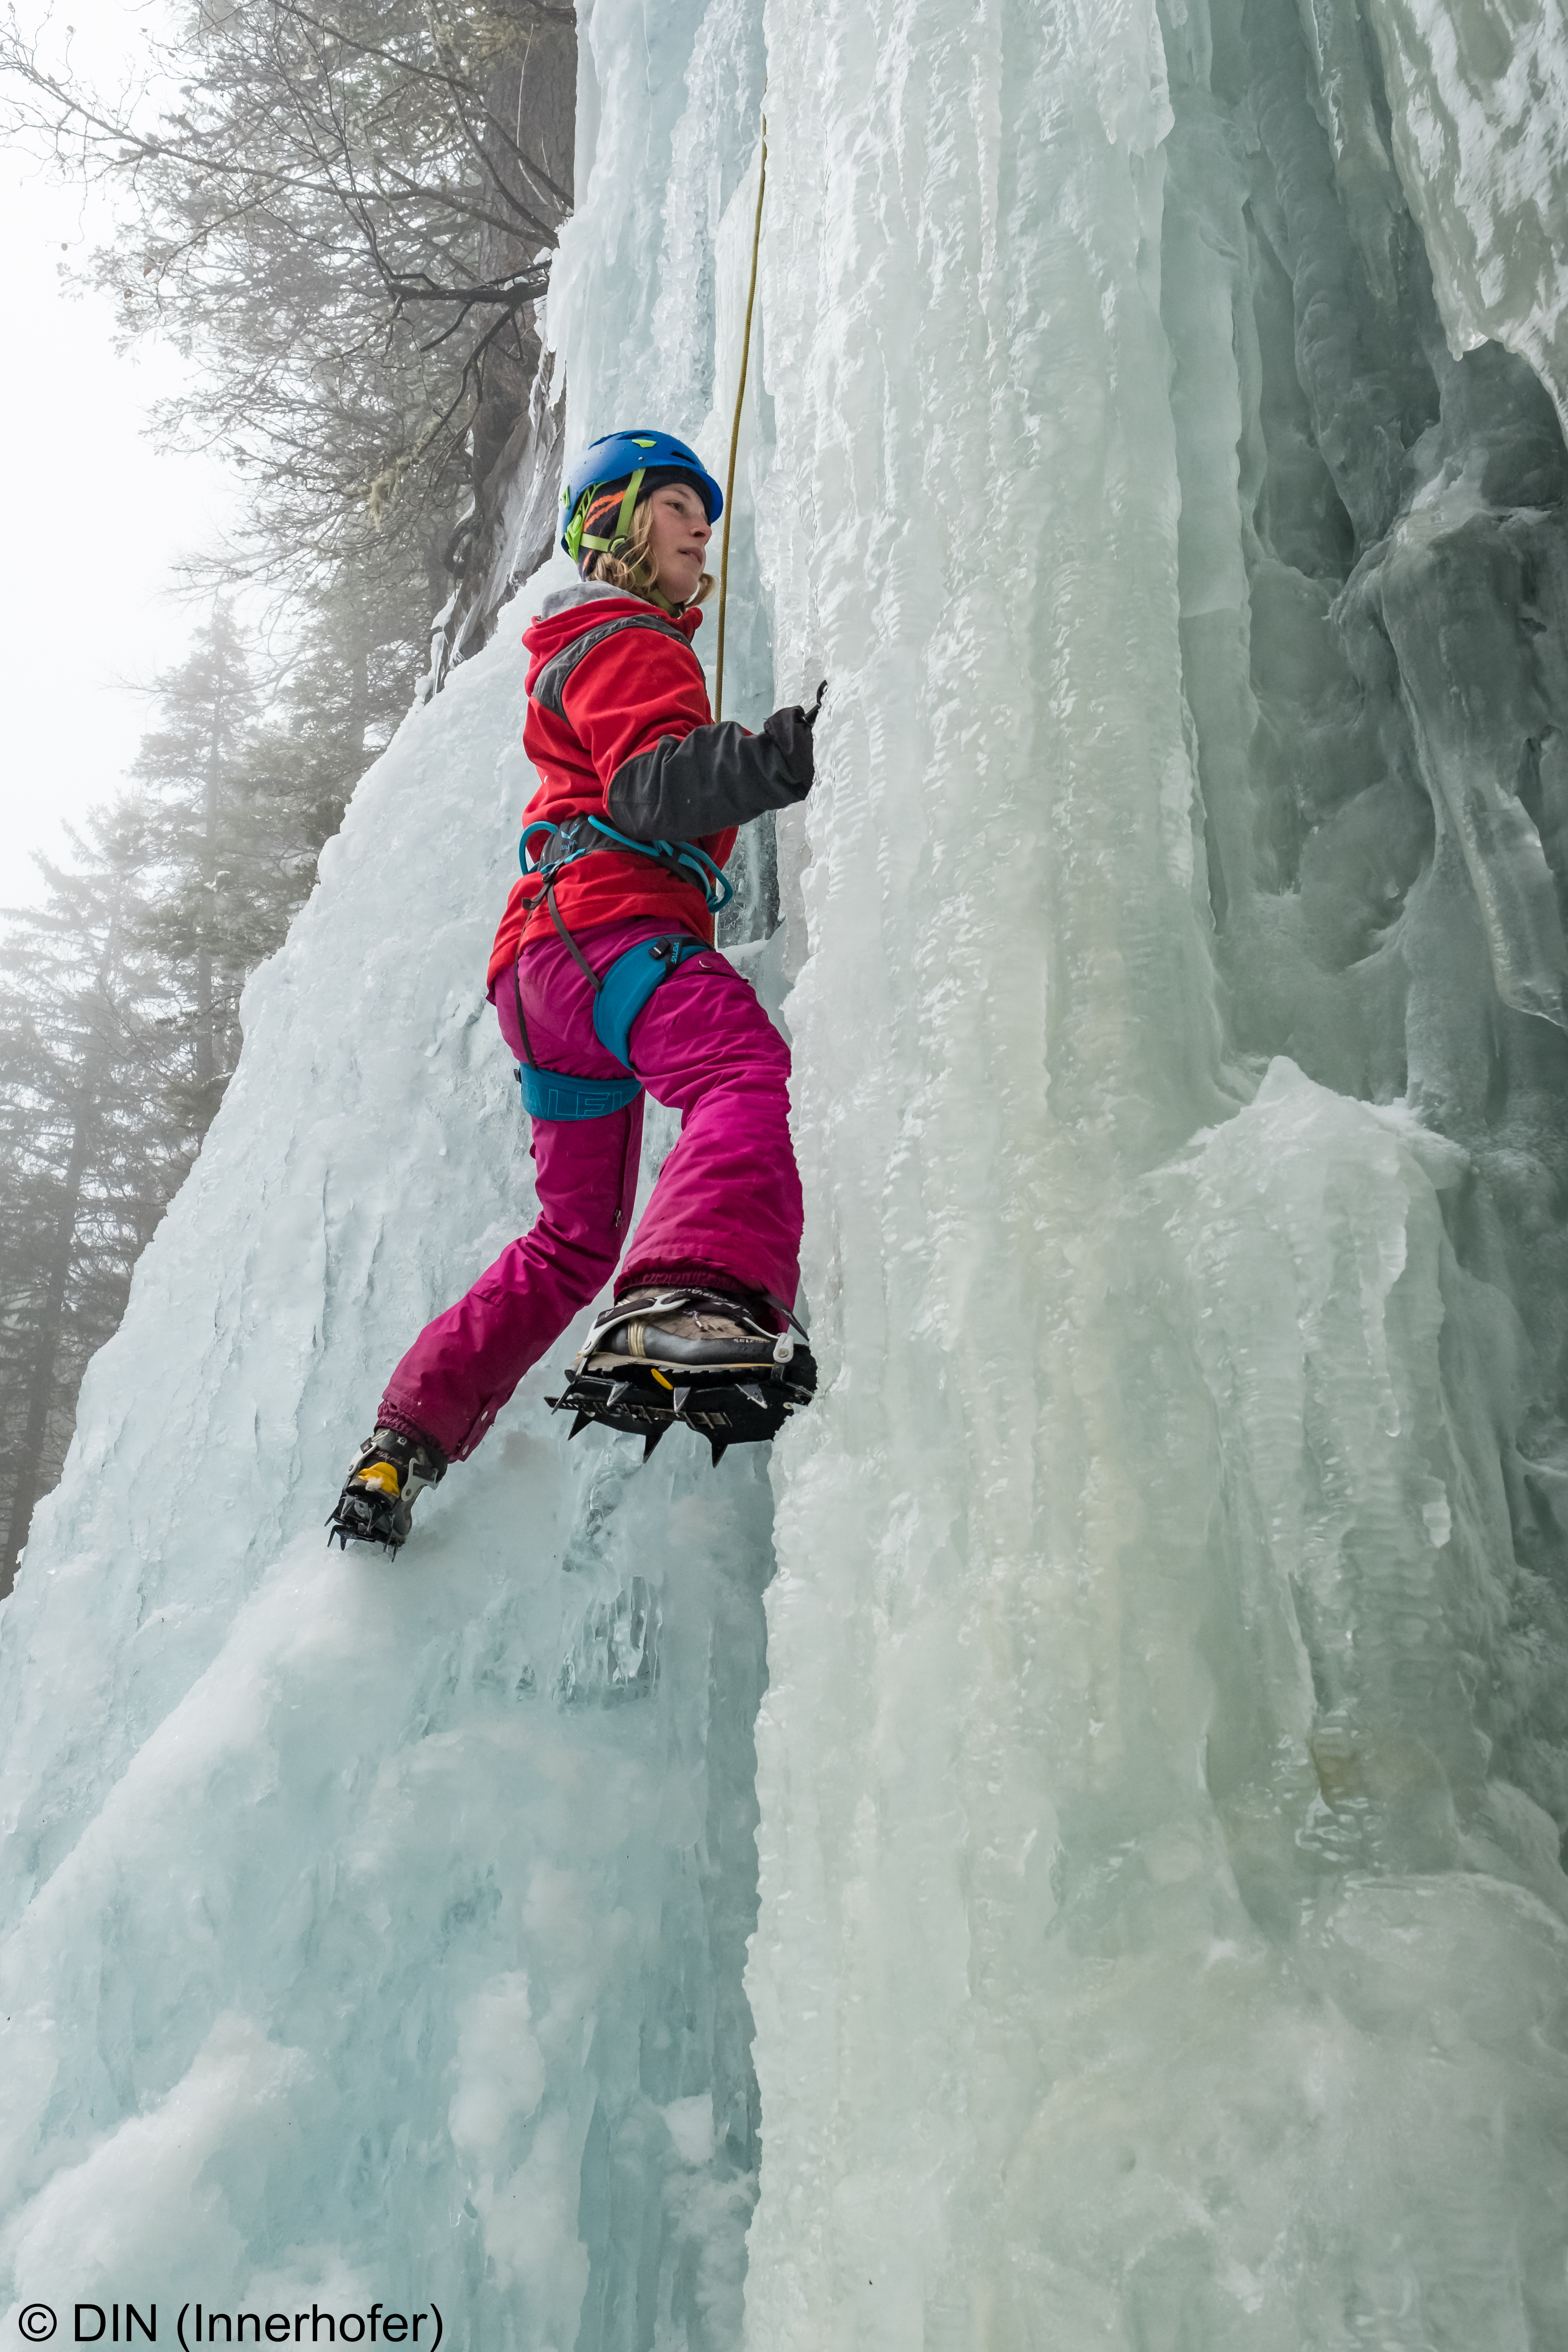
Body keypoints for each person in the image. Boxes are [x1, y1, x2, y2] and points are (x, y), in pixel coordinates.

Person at [330, 428, 824, 1551]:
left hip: (546, 976)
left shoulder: (586, 642)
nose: (704, 526)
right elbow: (649, 785)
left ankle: (403, 1438)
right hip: (607, 936)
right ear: (613, 525)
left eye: (707, 509)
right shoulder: (629, 634)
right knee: (739, 1068)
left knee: (568, 1238)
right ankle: (693, 1297)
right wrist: (762, 761)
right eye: (675, 507)